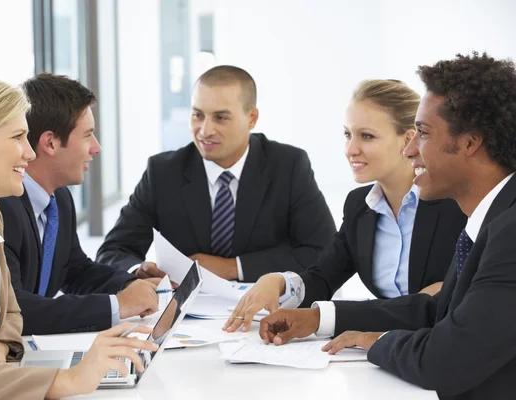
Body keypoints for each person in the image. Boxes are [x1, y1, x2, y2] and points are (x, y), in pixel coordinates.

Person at [258, 52, 516, 399]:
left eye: (421, 133)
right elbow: (434, 309)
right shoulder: (490, 219)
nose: (410, 151)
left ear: (470, 142)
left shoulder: (509, 233)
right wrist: (320, 319)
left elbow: (445, 360)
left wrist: (378, 342)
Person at [0, 76, 158, 400]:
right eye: (17, 137)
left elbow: (12, 312)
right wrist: (68, 380)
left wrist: (0, 342)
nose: (29, 153)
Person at [224, 79, 466, 332]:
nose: (351, 149)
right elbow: (322, 278)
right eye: (348, 134)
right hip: (382, 348)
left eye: (367, 136)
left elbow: (432, 303)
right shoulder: (359, 207)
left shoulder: (453, 205)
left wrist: (325, 317)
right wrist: (278, 282)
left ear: (407, 140)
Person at [96, 65, 336, 282]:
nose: (205, 130)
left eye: (221, 118)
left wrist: (232, 268)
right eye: (197, 115)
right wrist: (138, 270)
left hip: (264, 308)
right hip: (185, 315)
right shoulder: (163, 172)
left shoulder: (288, 166)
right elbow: (113, 252)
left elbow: (323, 251)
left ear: (251, 118)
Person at [0, 73, 158, 335]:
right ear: (50, 142)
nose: (97, 148)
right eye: (88, 136)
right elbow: (16, 307)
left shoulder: (58, 199)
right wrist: (116, 305)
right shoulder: (1, 208)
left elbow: (74, 270)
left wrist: (130, 284)